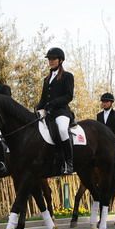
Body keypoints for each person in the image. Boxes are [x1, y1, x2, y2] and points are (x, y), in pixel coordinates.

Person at [36, 47, 75, 175]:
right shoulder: (46, 79)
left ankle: (69, 163)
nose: (51, 61)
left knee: (63, 129)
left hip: (61, 112)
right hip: (48, 113)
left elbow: (68, 96)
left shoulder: (67, 76)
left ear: (60, 60)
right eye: (49, 59)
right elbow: (43, 99)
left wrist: (52, 103)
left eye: (53, 59)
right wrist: (38, 108)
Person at [97, 92, 115, 181]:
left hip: (113, 141)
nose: (104, 103)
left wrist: (111, 137)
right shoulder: (99, 115)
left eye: (106, 102)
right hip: (101, 143)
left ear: (111, 103)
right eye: (103, 102)